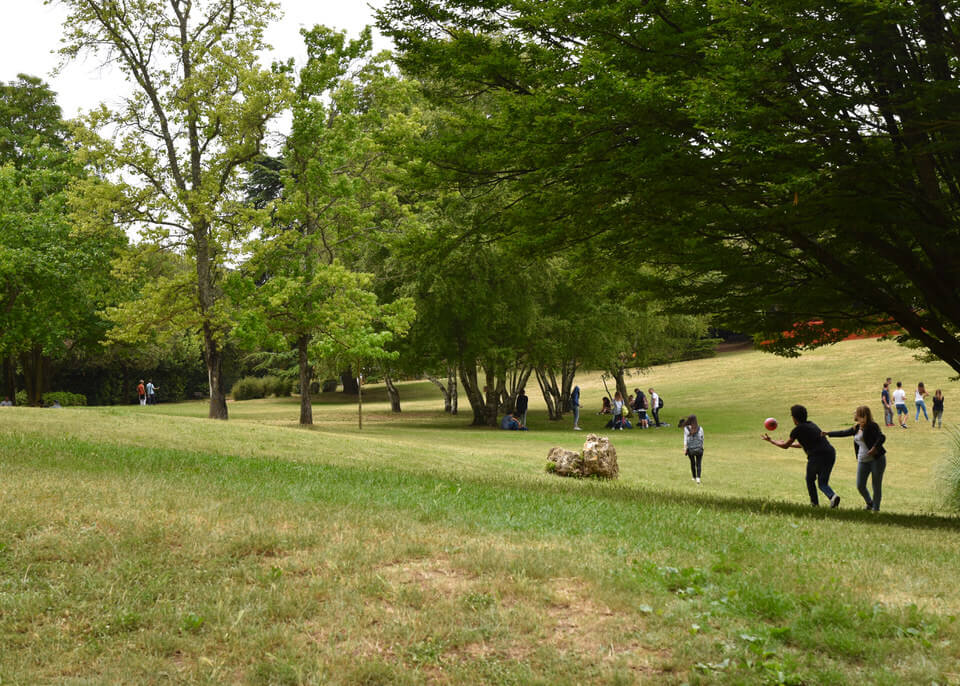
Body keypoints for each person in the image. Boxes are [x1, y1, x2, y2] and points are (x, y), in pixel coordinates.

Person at [762, 404, 841, 508]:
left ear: (794, 418)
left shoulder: (797, 430)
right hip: (830, 454)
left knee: (810, 479)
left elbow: (785, 446)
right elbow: (802, 444)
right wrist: (787, 444)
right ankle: (833, 496)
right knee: (822, 482)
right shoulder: (812, 424)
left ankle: (814, 504)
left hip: (817, 456)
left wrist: (772, 441)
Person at [824, 406, 886, 511]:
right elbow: (844, 433)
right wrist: (828, 433)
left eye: (856, 413)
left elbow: (881, 437)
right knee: (860, 485)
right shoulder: (857, 427)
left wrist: (874, 448)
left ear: (862, 415)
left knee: (876, 486)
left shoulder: (872, 426)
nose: (854, 415)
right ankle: (869, 503)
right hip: (863, 461)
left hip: (876, 460)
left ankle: (876, 510)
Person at [680, 414, 704, 483]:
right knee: (698, 463)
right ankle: (698, 478)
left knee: (692, 463)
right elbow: (702, 438)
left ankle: (693, 477)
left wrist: (685, 448)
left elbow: (685, 439)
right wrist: (701, 447)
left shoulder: (686, 428)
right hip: (699, 449)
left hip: (691, 449)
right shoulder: (700, 428)